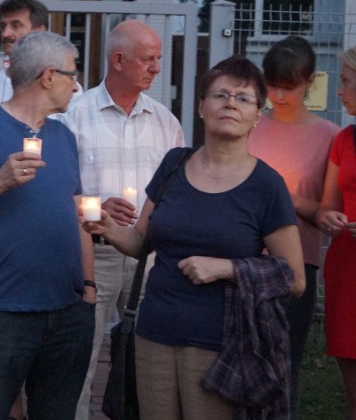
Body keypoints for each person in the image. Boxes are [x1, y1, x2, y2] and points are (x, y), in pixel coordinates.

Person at [82, 55, 305, 419]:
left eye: (244, 98)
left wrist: (227, 268)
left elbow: (293, 278)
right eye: (220, 94)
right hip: (153, 333)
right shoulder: (173, 165)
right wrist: (107, 229)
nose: (231, 103)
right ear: (202, 107)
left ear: (257, 115)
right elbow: (141, 242)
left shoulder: (266, 186)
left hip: (222, 344)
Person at [0, 31, 95, 420]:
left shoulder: (63, 136)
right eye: (72, 74)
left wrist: (88, 291)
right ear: (48, 76)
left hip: (68, 312)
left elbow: (76, 213)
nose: (77, 85)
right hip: (1, 312)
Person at [57, 18, 184, 419]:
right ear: (118, 59)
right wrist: (94, 205)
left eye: (158, 59)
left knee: (151, 360)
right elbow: (54, 189)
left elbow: (180, 187)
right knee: (80, 357)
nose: (157, 68)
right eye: (149, 59)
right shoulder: (73, 115)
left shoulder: (166, 121)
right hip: (92, 255)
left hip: (149, 257)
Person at [247, 35, 340, 419]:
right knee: (241, 359)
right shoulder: (250, 123)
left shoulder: (328, 136)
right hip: (243, 257)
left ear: (310, 82)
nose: (280, 95)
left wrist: (282, 196)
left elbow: (326, 213)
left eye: (290, 86)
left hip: (297, 264)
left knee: (286, 365)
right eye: (273, 85)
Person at [316, 46, 356, 420]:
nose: (338, 92)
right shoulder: (344, 140)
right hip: (347, 268)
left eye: (345, 81)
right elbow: (328, 206)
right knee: (350, 371)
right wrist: (328, 218)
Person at [0, 0, 83, 107]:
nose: (5, 34)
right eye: (3, 27)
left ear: (39, 31)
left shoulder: (68, 89)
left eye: (15, 26)